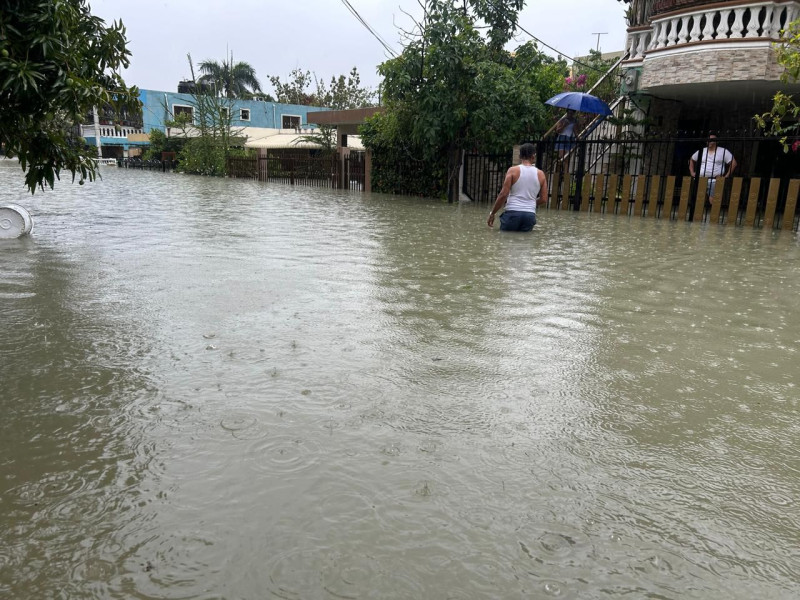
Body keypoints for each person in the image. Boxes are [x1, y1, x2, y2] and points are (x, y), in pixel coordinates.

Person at [487, 143, 548, 232]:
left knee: (506, 242)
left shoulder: (512, 171)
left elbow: (503, 194)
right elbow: (544, 199)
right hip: (529, 215)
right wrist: (529, 203)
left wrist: (492, 213)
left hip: (512, 213)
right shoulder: (541, 174)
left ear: (520, 156)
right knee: (524, 243)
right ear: (533, 157)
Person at [689, 134, 737, 200]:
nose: (709, 141)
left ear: (717, 142)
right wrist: (692, 172)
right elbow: (692, 159)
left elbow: (733, 163)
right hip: (700, 179)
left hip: (715, 180)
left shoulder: (723, 151)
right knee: (699, 199)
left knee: (713, 200)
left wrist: (726, 177)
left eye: (711, 140)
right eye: (708, 140)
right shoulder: (702, 151)